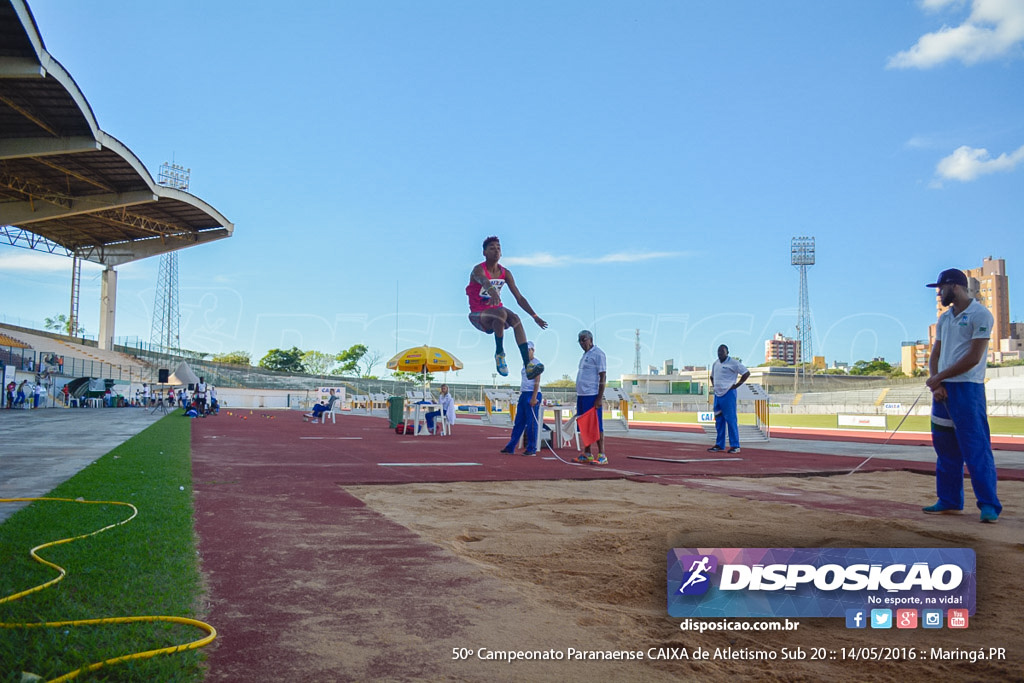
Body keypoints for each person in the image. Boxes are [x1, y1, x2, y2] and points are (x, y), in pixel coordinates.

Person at [923, 268, 1001, 524]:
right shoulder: (945, 319)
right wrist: (937, 384)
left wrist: (940, 376)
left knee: (975, 448)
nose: (939, 293)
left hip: (967, 388)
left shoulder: (980, 314)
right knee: (945, 449)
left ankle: (988, 504)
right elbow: (935, 354)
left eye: (941, 288)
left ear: (954, 286)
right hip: (943, 390)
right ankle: (949, 500)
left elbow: (973, 357)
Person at [466, 236, 547, 378]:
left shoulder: (505, 273)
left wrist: (535, 316)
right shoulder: (478, 269)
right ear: (484, 252)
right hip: (478, 314)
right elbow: (484, 280)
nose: (496, 251)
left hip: (497, 313)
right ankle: (499, 354)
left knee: (515, 318)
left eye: (498, 248)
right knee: (501, 312)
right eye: (492, 248)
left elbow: (520, 298)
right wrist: (492, 292)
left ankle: (527, 364)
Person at [500, 343, 543, 455]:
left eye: (528, 350)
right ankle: (511, 446)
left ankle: (532, 448)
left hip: (532, 393)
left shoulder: (536, 363)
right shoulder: (525, 364)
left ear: (533, 350)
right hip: (524, 393)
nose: (526, 353)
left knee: (531, 422)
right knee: (519, 421)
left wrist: (534, 397)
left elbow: (537, 380)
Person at [708, 344, 750, 454]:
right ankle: (719, 444)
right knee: (719, 421)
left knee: (731, 420)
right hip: (718, 395)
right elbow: (712, 376)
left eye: (722, 352)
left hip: (728, 394)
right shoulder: (715, 363)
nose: (720, 354)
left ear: (727, 352)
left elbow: (746, 373)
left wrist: (736, 385)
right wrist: (715, 386)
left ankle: (735, 445)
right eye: (718, 352)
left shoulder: (734, 363)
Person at [575, 330, 607, 465]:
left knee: (596, 424)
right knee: (584, 425)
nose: (582, 343)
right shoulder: (585, 355)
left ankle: (602, 454)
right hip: (581, 395)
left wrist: (599, 397)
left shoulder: (598, 354)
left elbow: (603, 375)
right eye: (580, 341)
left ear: (591, 339)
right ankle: (587, 452)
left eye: (584, 339)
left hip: (591, 394)